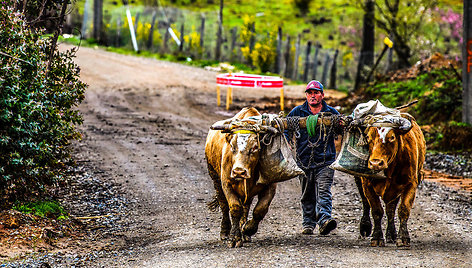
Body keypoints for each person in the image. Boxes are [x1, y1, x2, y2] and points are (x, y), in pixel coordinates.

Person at [285, 80, 339, 235]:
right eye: (310, 93)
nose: (313, 96)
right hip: (304, 160)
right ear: (306, 96)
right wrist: (287, 142)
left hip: (326, 160)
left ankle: (324, 221)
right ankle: (308, 223)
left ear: (322, 95)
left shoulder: (332, 113)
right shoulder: (297, 112)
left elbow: (343, 129)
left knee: (324, 191)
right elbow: (285, 127)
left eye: (316, 93)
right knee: (307, 193)